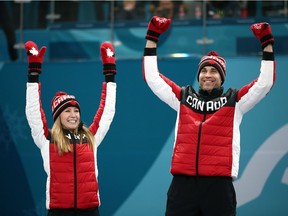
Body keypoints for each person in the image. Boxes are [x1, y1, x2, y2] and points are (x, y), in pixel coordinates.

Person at [142, 16, 275, 216]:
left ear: (222, 77)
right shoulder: (182, 97)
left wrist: (266, 43)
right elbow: (152, 77)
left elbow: (265, 83)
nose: (207, 75)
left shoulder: (235, 101)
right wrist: (152, 37)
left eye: (214, 71)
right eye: (204, 70)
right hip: (183, 186)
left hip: (218, 187)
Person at [25, 40, 117, 216]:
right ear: (58, 116)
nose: (73, 114)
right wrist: (34, 74)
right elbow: (33, 112)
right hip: (59, 212)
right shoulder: (47, 139)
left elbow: (107, 111)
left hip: (90, 211)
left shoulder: (90, 137)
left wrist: (110, 75)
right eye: (67, 110)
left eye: (76, 110)